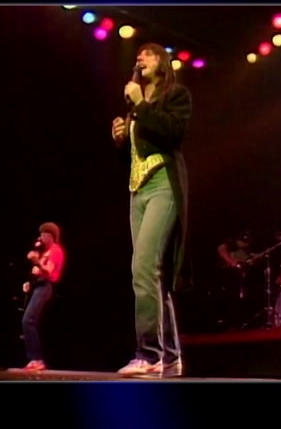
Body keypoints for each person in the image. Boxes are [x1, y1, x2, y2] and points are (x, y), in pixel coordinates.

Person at [111, 43, 192, 377]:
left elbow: (173, 133)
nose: (140, 58)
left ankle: (148, 353)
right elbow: (134, 155)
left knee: (143, 267)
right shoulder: (136, 105)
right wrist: (121, 139)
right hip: (137, 190)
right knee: (154, 277)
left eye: (148, 54)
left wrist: (141, 105)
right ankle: (170, 355)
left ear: (162, 62)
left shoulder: (176, 95)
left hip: (162, 184)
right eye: (138, 54)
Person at [16, 222, 65, 371]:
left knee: (28, 320)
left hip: (45, 286)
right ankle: (33, 359)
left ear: (52, 236)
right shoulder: (45, 252)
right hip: (38, 286)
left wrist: (36, 261)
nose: (41, 237)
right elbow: (38, 273)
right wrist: (29, 283)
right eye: (41, 234)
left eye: (44, 234)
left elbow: (48, 271)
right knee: (29, 321)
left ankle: (37, 359)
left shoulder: (56, 251)